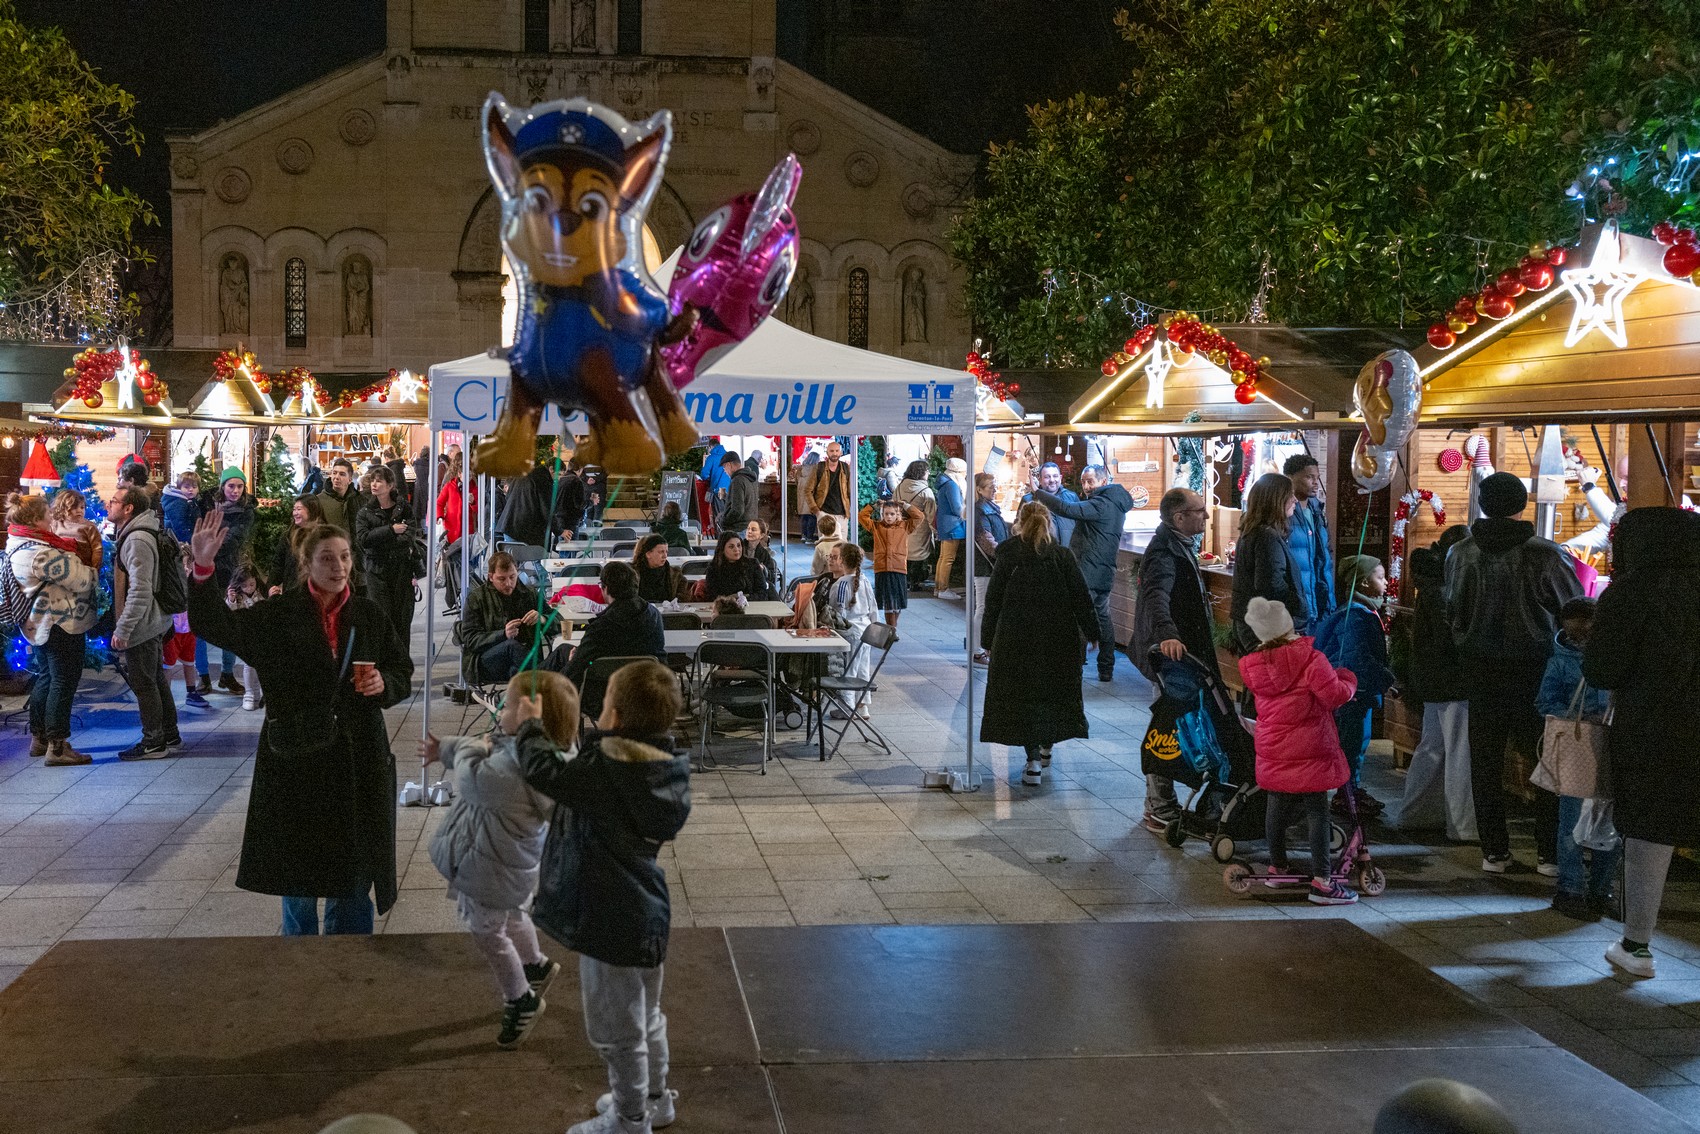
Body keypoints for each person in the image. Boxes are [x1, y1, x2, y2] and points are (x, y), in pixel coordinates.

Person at [188, 512, 412, 935]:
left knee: (352, 881)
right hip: (298, 759)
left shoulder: (367, 614)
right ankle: (299, 973)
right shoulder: (278, 616)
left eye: (345, 557)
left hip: (356, 760)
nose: (340, 567)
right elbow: (213, 625)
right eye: (328, 559)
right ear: (307, 565)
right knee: (299, 880)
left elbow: (402, 669)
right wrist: (202, 569)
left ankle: (349, 974)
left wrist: (385, 683)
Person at [516, 660, 691, 1134]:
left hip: (606, 913)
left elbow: (544, 770)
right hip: (646, 910)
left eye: (606, 702)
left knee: (618, 1032)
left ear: (614, 717)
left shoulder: (605, 771)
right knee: (647, 1015)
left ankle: (630, 1121)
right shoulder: (661, 771)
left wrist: (531, 724)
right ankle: (655, 1099)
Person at [424, 670, 577, 1048]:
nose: (499, 712)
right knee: (512, 913)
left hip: (489, 868)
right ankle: (535, 964)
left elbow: (470, 774)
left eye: (507, 706)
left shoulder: (510, 770)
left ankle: (520, 998)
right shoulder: (550, 757)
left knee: (487, 930)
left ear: (530, 721)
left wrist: (456, 746)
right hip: (507, 865)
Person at [1445, 470, 1581, 874]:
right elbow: (1574, 608)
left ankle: (1495, 852)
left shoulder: (1461, 553)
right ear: (1523, 503)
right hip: (1536, 669)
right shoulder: (1545, 553)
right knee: (1544, 757)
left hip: (1480, 667)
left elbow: (1453, 609)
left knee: (1485, 760)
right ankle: (1549, 854)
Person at [1586, 508, 1700, 978]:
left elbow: (1602, 669)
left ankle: (1637, 947)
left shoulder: (1632, 592)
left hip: (1654, 731)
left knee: (1651, 834)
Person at [1238, 595, 1360, 905]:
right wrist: (1348, 680)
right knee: (1317, 809)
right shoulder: (1309, 659)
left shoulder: (1255, 666)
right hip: (1310, 746)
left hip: (1274, 746)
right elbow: (1333, 696)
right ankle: (1323, 881)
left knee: (1276, 805)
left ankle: (1277, 867)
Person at [981, 502, 1098, 787]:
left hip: (1015, 639)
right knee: (1052, 693)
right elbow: (1081, 596)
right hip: (1058, 639)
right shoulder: (1061, 556)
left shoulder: (1008, 554)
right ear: (1049, 522)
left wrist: (987, 640)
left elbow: (993, 600)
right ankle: (1047, 746)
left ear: (1019, 522)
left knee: (1024, 697)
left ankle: (1032, 759)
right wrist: (1094, 632)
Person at [1129, 487, 1215, 833]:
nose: (1205, 516)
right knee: (1166, 730)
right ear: (1179, 518)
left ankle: (1162, 803)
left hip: (1182, 657)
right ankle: (1159, 805)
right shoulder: (1164, 552)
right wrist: (1168, 634)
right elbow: (1155, 596)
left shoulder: (1177, 545)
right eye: (1199, 511)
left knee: (1176, 727)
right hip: (1171, 659)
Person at [1537, 596, 1618, 922]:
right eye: (1575, 633)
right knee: (1571, 820)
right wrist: (1583, 716)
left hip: (1607, 745)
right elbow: (1545, 702)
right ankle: (1571, 889)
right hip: (1578, 746)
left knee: (1607, 821)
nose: (1580, 638)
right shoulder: (1560, 662)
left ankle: (1601, 890)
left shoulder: (1612, 658)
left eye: (1587, 631)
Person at [7, 492, 98, 766]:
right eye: (47, 514)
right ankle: (57, 747)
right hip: (60, 623)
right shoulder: (40, 553)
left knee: (47, 677)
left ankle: (40, 738)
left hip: (41, 624)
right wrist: (89, 569)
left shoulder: (19, 542)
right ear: (36, 520)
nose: (52, 517)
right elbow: (81, 579)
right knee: (63, 680)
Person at [1398, 526, 1477, 841]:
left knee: (1433, 746)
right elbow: (1451, 639)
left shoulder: (1431, 585)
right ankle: (1462, 825)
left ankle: (1417, 812)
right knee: (1459, 749)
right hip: (1453, 679)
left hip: (1432, 678)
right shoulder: (1446, 589)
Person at [1032, 464, 1133, 682]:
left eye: (1091, 481)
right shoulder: (1112, 502)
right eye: (1084, 481)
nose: (1086, 486)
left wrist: (1037, 492)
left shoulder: (1101, 504)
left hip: (1090, 571)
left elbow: (1067, 510)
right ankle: (1105, 668)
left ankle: (1074, 668)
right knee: (1102, 618)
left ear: (1103, 482)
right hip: (1102, 570)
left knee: (1079, 618)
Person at [1314, 555, 1397, 819]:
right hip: (1353, 696)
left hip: (1355, 693)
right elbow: (1355, 658)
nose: (1386, 582)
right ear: (1363, 583)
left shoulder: (1357, 612)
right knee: (1352, 745)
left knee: (1355, 745)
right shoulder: (1356, 617)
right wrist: (1387, 679)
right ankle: (1346, 795)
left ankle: (1349, 791)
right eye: (1380, 577)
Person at [109, 486, 180, 759]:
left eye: (114, 501)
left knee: (144, 683)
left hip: (143, 624)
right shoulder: (137, 532)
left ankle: (153, 742)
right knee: (155, 680)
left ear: (128, 509)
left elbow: (140, 590)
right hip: (152, 620)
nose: (109, 504)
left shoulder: (136, 539)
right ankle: (169, 734)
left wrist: (124, 628)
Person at [546, 559, 666, 718]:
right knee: (563, 651)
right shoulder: (653, 615)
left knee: (561, 668)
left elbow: (576, 670)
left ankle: (529, 692)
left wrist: (578, 661)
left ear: (605, 588)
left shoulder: (602, 626)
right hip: (647, 692)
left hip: (604, 696)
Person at [1229, 472, 1308, 656]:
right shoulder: (1267, 537)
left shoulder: (1253, 532)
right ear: (1276, 499)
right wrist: (1299, 605)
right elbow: (1270, 585)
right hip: (1264, 625)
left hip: (1251, 620)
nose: (1295, 500)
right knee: (1268, 681)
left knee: (1258, 679)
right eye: (1290, 495)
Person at [196, 468, 256, 696]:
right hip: (203, 570)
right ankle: (202, 676)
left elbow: (234, 540)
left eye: (239, 486)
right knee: (200, 623)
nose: (235, 491)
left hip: (229, 571)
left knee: (230, 622)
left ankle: (227, 674)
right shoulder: (206, 505)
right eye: (231, 486)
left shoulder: (246, 511)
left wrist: (208, 547)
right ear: (223, 486)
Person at [355, 466, 423, 645]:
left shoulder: (403, 508)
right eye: (373, 480)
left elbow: (409, 537)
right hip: (377, 571)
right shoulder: (365, 512)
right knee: (382, 619)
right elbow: (364, 539)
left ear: (390, 485)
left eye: (379, 481)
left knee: (402, 621)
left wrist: (380, 540)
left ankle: (401, 666)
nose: (374, 484)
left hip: (402, 570)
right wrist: (391, 530)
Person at [460, 551, 545, 684]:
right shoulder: (477, 598)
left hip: (524, 656)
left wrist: (542, 618)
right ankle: (547, 678)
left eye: (512, 577)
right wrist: (503, 634)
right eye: (502, 579)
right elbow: (470, 639)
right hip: (486, 660)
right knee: (511, 646)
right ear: (490, 577)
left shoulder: (528, 593)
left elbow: (557, 618)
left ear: (517, 572)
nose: (508, 583)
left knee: (563, 650)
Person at [1282, 453, 1335, 625]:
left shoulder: (1317, 511)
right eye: (1309, 477)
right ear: (1290, 478)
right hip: (1296, 602)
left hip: (1320, 598)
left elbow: (1325, 555)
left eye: (1317, 478)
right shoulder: (1284, 513)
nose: (1315, 482)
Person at [858, 499, 923, 629]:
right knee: (888, 601)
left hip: (898, 568)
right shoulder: (877, 526)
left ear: (897, 514)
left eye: (892, 514)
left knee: (897, 601)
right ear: (882, 514)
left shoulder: (905, 526)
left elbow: (919, 516)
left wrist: (905, 505)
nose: (889, 517)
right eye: (886, 514)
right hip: (882, 568)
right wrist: (873, 506)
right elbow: (862, 516)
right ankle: (891, 628)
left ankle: (893, 626)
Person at [826, 542, 877, 707]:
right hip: (867, 629)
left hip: (850, 632)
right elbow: (873, 607)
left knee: (848, 670)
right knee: (862, 668)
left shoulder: (841, 584)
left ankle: (846, 707)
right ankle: (863, 707)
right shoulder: (864, 580)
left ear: (842, 560)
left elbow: (838, 613)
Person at [499, 454, 585, 548]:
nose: (559, 479)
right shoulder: (543, 480)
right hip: (525, 530)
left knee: (514, 561)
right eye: (559, 474)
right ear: (551, 469)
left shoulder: (525, 473)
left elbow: (508, 497)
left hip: (508, 526)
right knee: (540, 560)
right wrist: (560, 531)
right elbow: (547, 509)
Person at [970, 472, 1008, 666]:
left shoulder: (990, 508)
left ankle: (986, 648)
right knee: (983, 608)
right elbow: (986, 540)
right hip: (986, 566)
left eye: (995, 485)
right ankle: (977, 650)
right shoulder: (980, 511)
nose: (994, 489)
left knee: (987, 607)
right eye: (990, 487)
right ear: (979, 489)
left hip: (992, 565)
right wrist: (1005, 555)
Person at [438, 450, 478, 614]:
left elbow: (477, 508)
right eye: (464, 473)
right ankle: (456, 594)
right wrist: (440, 517)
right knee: (454, 565)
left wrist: (472, 502)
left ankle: (466, 595)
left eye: (470, 473)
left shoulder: (474, 487)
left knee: (467, 565)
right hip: (452, 531)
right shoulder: (450, 486)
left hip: (468, 532)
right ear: (459, 473)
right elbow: (439, 503)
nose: (468, 476)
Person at [892, 460, 937, 591]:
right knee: (919, 554)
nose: (928, 473)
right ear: (922, 472)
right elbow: (931, 514)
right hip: (919, 527)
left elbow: (894, 505)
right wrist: (934, 529)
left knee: (905, 552)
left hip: (902, 525)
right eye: (927, 471)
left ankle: (904, 580)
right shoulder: (926, 491)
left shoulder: (899, 487)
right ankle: (915, 582)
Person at [226, 565, 266, 710]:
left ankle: (261, 692)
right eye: (244, 585)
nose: (249, 588)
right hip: (246, 636)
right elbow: (230, 614)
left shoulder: (262, 593)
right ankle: (249, 693)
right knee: (249, 664)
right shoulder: (237, 597)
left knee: (263, 665)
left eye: (252, 584)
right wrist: (231, 600)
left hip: (262, 635)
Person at [271, 495, 327, 596]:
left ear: (312, 510)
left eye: (299, 509)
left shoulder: (326, 536)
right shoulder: (288, 536)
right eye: (294, 509)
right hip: (292, 592)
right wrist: (271, 585)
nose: (295, 513)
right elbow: (278, 564)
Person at [934, 457, 967, 599]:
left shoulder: (945, 483)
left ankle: (938, 587)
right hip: (953, 525)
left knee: (943, 557)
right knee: (948, 558)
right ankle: (943, 589)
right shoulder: (952, 485)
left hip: (945, 524)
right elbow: (957, 508)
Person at [1022, 462, 1077, 547]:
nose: (1052, 480)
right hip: (1039, 556)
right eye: (1047, 477)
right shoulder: (1028, 500)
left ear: (1060, 478)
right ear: (1040, 480)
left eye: (1055, 476)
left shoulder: (1072, 498)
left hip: (1066, 555)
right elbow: (1019, 530)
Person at [809, 441, 853, 536]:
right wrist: (816, 510)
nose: (834, 453)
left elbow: (850, 490)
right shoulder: (819, 468)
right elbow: (808, 490)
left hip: (842, 514)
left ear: (840, 453)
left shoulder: (845, 468)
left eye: (837, 451)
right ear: (827, 452)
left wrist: (849, 510)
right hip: (824, 513)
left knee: (842, 547)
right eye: (832, 451)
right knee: (825, 545)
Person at [315, 458, 368, 535]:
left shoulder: (360, 500)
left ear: (350, 480)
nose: (336, 477)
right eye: (334, 473)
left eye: (342, 474)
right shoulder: (319, 500)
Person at [701, 531, 759, 601]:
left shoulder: (753, 564)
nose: (736, 550)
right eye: (731, 547)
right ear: (722, 550)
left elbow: (762, 593)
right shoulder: (713, 569)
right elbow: (711, 596)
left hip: (752, 606)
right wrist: (729, 600)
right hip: (725, 608)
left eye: (738, 545)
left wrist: (742, 598)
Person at [631, 535, 685, 603]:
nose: (665, 556)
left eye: (666, 552)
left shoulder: (676, 575)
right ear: (648, 554)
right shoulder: (631, 574)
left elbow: (682, 600)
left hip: (668, 612)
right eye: (661, 552)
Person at [742, 519, 781, 601]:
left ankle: (778, 607)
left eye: (753, 529)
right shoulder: (739, 547)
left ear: (762, 535)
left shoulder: (764, 553)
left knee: (769, 587)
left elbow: (771, 575)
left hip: (757, 584)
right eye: (748, 528)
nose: (749, 531)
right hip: (741, 581)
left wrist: (763, 569)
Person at [720, 453, 758, 533]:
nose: (725, 471)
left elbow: (737, 510)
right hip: (751, 525)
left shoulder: (737, 480)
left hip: (739, 528)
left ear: (729, 465)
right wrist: (726, 497)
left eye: (724, 467)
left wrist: (724, 521)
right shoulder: (751, 479)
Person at [160, 471, 202, 544]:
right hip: (178, 541)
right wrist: (191, 541)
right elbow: (179, 526)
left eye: (194, 487)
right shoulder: (177, 503)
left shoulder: (189, 501)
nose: (191, 489)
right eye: (186, 487)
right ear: (179, 488)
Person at [700, 441, 731, 534]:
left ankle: (721, 538)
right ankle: (729, 535)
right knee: (728, 513)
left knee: (718, 515)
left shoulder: (712, 457)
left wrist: (710, 478)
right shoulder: (728, 456)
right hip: (730, 489)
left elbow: (704, 474)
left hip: (718, 489)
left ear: (711, 446)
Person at [796, 447, 821, 542]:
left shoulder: (801, 468)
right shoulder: (816, 469)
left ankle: (803, 535)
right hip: (811, 495)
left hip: (801, 495)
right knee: (812, 516)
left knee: (804, 516)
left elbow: (796, 480)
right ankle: (809, 537)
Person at [810, 513, 846, 577]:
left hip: (828, 579)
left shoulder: (820, 547)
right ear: (835, 527)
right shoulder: (844, 544)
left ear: (820, 529)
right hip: (843, 576)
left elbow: (816, 569)